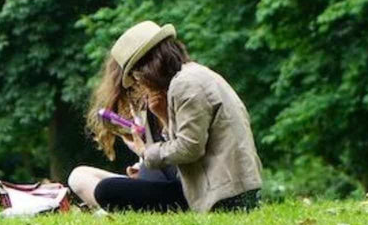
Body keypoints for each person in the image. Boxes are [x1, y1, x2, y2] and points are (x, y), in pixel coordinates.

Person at [68, 21, 263, 213]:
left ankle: (106, 211)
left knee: (106, 190)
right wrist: (163, 115)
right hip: (225, 190)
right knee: (95, 181)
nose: (139, 82)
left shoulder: (185, 84)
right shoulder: (192, 76)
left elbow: (189, 149)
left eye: (136, 75)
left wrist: (145, 152)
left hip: (223, 196)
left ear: (148, 65)